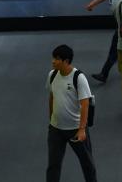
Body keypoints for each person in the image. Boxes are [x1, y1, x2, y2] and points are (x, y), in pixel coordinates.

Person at [46, 45, 96, 182]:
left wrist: (82, 129)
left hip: (75, 129)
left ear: (66, 61)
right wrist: (51, 120)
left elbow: (85, 104)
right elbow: (52, 97)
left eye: (57, 59)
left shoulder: (79, 78)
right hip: (56, 130)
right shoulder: (52, 75)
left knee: (87, 164)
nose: (53, 61)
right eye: (53, 58)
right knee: (53, 165)